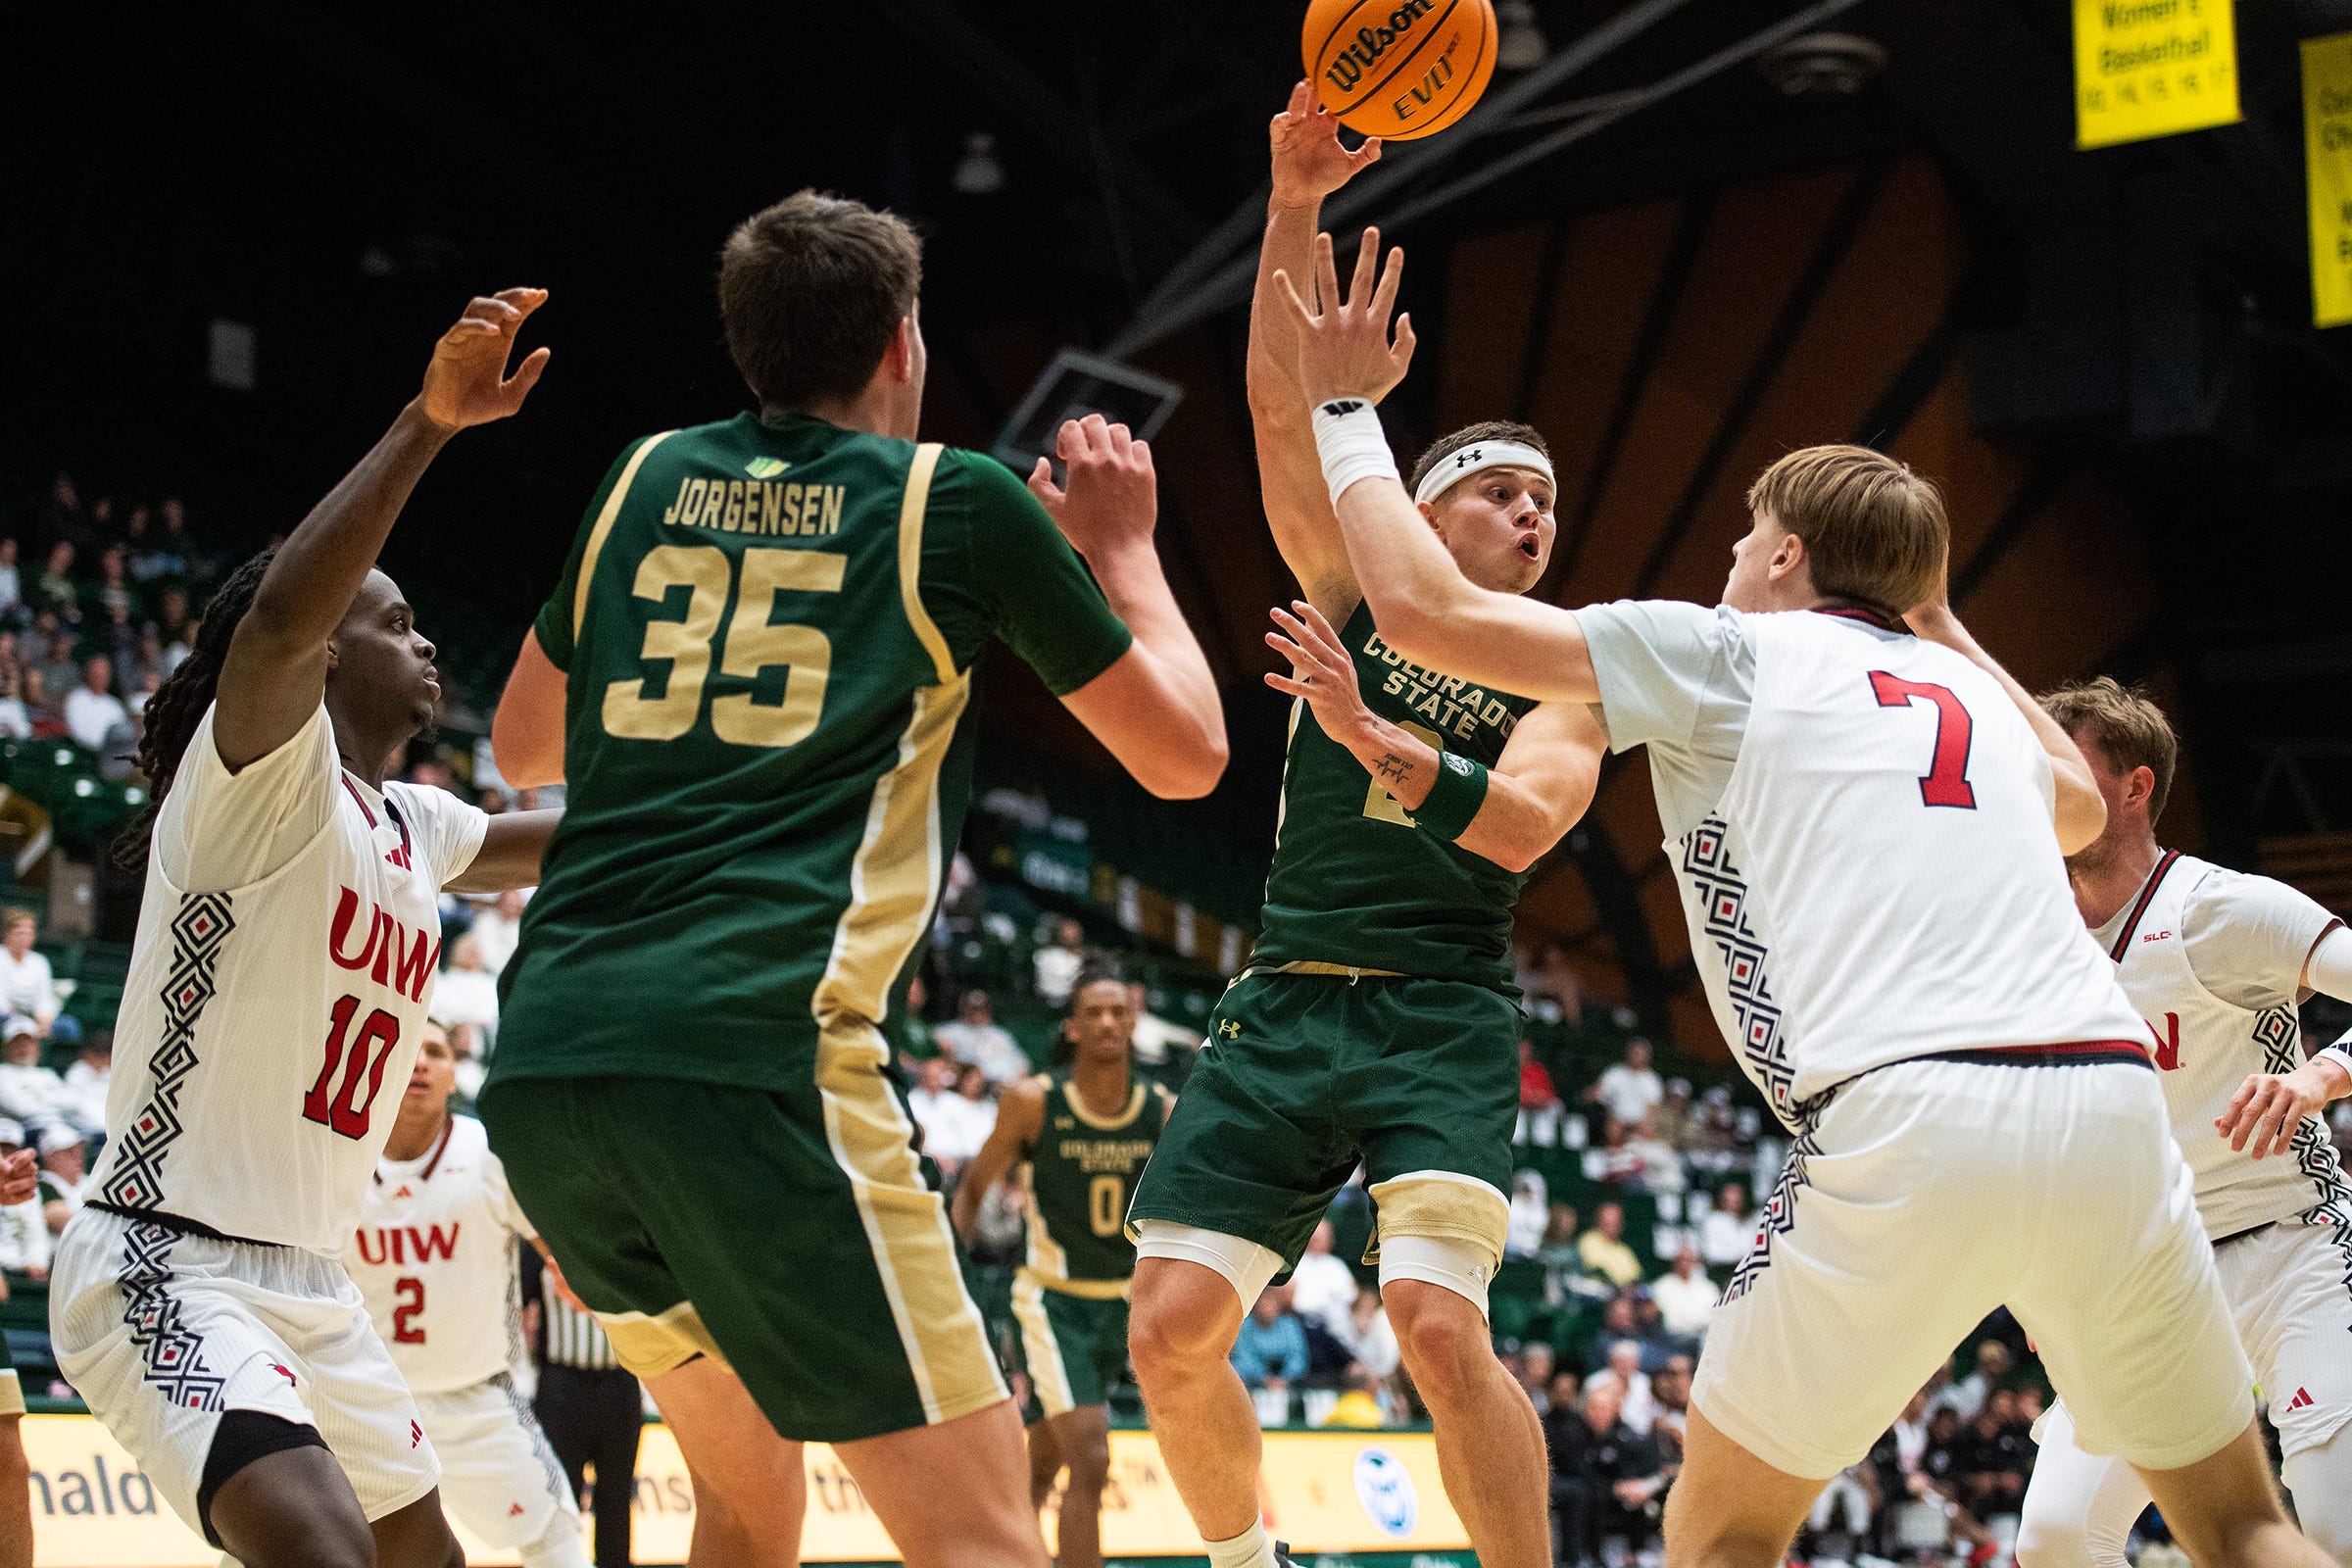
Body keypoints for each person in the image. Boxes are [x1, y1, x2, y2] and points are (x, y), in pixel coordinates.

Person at [1281, 226, 2327, 1568]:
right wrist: (1941, 619)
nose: (1727, 559)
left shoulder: (1726, 652)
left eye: (1743, 538)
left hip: (1909, 1109)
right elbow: (2078, 806)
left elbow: (1420, 613)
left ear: (1783, 563)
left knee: (1720, 1533)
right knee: (2240, 1522)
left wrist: (1344, 405)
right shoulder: (1959, 687)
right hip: (2112, 1108)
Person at [482, 188, 1224, 1568]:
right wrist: (1123, 553)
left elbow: (522, 744)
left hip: (550, 1067)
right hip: (759, 1062)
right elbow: (1187, 758)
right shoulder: (956, 498)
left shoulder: (642, 477)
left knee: (746, 1512)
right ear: (902, 345)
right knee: (986, 1539)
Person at [1126, 87, 1605, 1568]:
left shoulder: (1573, 660)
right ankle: (1242, 1559)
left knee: (1438, 1332)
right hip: (1287, 999)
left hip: (1440, 1015)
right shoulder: (1350, 585)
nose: (1532, 520)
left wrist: (1375, 738)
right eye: (1501, 495)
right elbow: (1285, 404)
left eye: (1545, 502)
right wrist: (1290, 200)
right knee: (1169, 1334)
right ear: (1431, 509)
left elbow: (1521, 827)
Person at [45, 289, 560, 1568]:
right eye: (390, 622)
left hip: (319, 1287)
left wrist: (753, 774)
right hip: (169, 1265)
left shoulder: (410, 824)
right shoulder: (258, 779)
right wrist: (427, 425)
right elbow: (276, 620)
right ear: (326, 658)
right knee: (325, 1556)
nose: (425, 637)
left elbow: (573, 838)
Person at [2017, 679, 2352, 1568]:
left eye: (2068, 763)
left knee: (2339, 1531)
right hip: (2150, 1275)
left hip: (2295, 1248)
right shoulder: (2021, 932)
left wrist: (2325, 1074)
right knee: (2054, 1539)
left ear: (2134, 787)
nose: (2042, 779)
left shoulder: (2220, 910)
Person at [952, 970, 1172, 1568]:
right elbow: (973, 1188)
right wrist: (952, 1282)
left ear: (1133, 1022)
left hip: (1125, 1306)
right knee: (1093, 1459)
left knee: (1047, 1458)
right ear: (1072, 1027)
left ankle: (1002, 1555)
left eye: (1117, 1011)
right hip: (1051, 1303)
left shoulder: (1160, 1110)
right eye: (1093, 1013)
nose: (1106, 1022)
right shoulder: (1034, 1101)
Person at [346, 1019, 587, 1567]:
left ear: (455, 1075)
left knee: (555, 1533)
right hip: (365, 1399)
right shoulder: (343, 1161)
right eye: (407, 1051)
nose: (421, 1063)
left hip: (474, 1397)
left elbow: (557, 1245)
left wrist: (572, 1269)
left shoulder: (488, 1153)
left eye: (435, 1052)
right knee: (277, 1538)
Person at [531, 1257, 641, 1568]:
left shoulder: (624, 1241)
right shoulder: (539, 1242)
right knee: (561, 1497)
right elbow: (516, 1298)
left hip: (619, 1384)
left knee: (617, 1498)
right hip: (562, 1386)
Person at [937, 990, 1033, 1087]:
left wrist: (1019, 1083)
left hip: (1009, 1087)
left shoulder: (1000, 1033)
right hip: (979, 1085)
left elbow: (1023, 1063)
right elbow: (938, 1049)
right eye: (974, 1009)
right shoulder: (951, 1031)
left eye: (982, 1008)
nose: (978, 1013)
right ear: (964, 1009)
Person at [1285, 1220, 1360, 1338]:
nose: (1318, 1242)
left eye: (1322, 1237)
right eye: (1315, 1237)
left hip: (1337, 1327)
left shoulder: (1337, 1266)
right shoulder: (1296, 1263)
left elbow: (1353, 1296)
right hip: (1303, 1323)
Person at [1229, 1290, 1307, 1393]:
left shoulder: (1290, 1325)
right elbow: (1244, 1357)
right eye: (1264, 1302)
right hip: (1252, 1384)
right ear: (1256, 1304)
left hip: (1287, 1384)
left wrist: (1285, 1378)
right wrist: (1264, 1379)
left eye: (1272, 1302)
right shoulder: (1245, 1326)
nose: (1268, 1307)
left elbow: (1298, 1356)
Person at [0, 913, 58, 1038]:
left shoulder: (40, 962)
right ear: (7, 934)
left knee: (67, 1026)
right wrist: (19, 1018)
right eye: (20, 933)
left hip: (34, 1017)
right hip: (5, 1015)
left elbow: (45, 998)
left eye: (29, 933)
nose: (24, 938)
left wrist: (44, 1018)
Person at [1589, 1040, 1666, 1131]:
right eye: (1634, 1053)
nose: (1636, 1057)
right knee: (1613, 1128)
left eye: (1640, 1054)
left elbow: (1653, 1109)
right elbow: (1598, 1094)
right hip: (1615, 1119)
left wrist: (1644, 1125)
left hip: (1640, 1124)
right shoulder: (1615, 1072)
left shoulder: (1653, 1080)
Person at [1651, 1245, 1716, 1345]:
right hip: (1675, 1339)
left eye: (1690, 1260)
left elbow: (1715, 1316)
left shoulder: (1708, 1287)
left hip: (1706, 1336)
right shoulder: (1662, 1286)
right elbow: (1671, 1321)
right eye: (1682, 1260)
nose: (1685, 1263)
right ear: (1675, 1262)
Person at [63, 656, 128, 754]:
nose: (99, 677)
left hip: (110, 756)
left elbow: (122, 733)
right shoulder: (75, 699)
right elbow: (75, 732)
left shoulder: (115, 705)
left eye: (103, 674)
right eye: (96, 674)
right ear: (88, 674)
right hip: (82, 753)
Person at [1577, 1201, 1643, 1289]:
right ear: (1598, 1221)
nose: (1613, 1227)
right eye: (1608, 1223)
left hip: (1626, 1294)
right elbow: (1599, 1272)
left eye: (1617, 1223)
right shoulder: (1588, 1241)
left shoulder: (1624, 1249)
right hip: (1601, 1295)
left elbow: (1637, 1277)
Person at [36, 1125, 86, 1236]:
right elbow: (58, 1219)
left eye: (80, 1149)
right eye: (69, 1152)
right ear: (50, 1157)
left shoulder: (88, 1180)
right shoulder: (43, 1185)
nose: (78, 1156)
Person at [1033, 918, 1087, 1009]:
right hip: (1052, 1005)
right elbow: (1048, 988)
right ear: (1059, 934)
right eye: (1066, 931)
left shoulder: (1086, 957)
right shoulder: (1045, 956)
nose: (1070, 935)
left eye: (1073, 931)